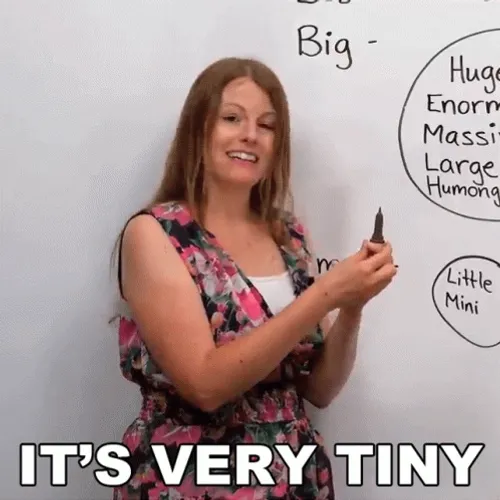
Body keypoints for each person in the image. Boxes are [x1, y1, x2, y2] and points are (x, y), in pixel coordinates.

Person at [110, 56, 397, 500]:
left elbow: (319, 390)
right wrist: (325, 294)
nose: (250, 135)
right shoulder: (155, 234)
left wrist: (351, 306)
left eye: (267, 125)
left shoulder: (288, 235)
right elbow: (205, 385)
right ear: (198, 129)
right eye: (232, 118)